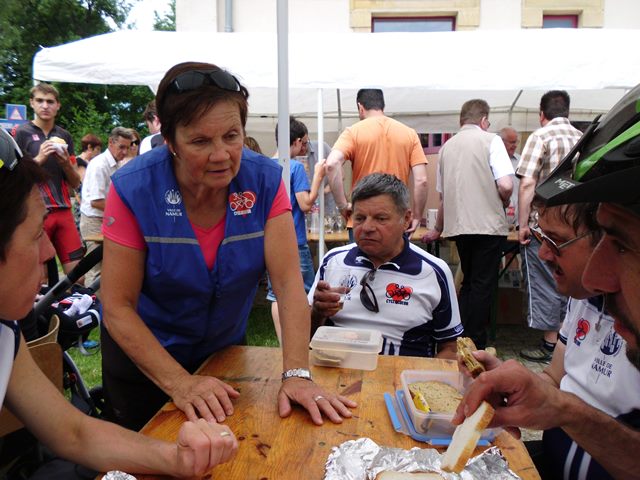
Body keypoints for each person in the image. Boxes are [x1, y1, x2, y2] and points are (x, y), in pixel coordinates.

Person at [100, 62, 356, 431]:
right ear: (170, 141)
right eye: (200, 141)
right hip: (145, 365)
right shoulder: (133, 187)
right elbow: (117, 307)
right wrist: (179, 383)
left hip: (222, 360)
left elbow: (287, 284)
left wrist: (297, 373)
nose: (221, 154)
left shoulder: (264, 180)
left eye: (231, 136)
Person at [0, 127, 238, 479]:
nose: (50, 251)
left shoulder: (6, 333)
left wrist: (177, 458)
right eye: (37, 235)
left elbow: (73, 433)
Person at [454, 83, 640, 480]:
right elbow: (555, 381)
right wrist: (514, 380)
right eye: (540, 237)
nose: (542, 254)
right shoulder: (582, 299)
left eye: (621, 244)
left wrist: (562, 409)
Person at [309, 173, 461, 359]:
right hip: (337, 375)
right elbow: (307, 336)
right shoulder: (333, 261)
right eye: (360, 218)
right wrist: (317, 313)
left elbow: (449, 349)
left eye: (381, 218)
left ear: (406, 220)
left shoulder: (433, 271)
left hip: (403, 382)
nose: (367, 227)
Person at [422, 99, 513, 349]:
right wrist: (502, 199)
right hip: (488, 226)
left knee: (470, 281)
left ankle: (460, 338)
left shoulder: (446, 148)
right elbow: (506, 184)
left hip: (459, 226)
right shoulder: (491, 140)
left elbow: (443, 198)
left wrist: (438, 228)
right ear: (484, 121)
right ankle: (476, 343)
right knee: (483, 284)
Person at [516, 90, 583, 362]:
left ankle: (549, 344)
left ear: (541, 114)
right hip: (576, 228)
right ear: (567, 111)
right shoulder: (582, 138)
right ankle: (567, 345)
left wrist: (521, 224)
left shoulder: (540, 137)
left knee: (544, 282)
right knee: (570, 282)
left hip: (543, 227)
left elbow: (527, 183)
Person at [325, 88, 428, 235]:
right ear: (382, 106)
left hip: (363, 219)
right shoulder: (409, 134)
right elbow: (421, 180)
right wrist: (417, 216)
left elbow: (331, 164)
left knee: (362, 258)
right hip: (396, 218)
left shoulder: (353, 132)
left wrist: (342, 205)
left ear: (360, 107)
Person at [14, 83, 83, 275]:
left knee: (77, 276)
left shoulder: (64, 136)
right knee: (38, 279)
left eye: (50, 101)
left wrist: (65, 164)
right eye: (40, 101)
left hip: (63, 211)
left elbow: (76, 183)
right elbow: (12, 177)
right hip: (34, 212)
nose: (45, 106)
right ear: (31, 103)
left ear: (58, 105)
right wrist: (39, 159)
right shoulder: (20, 133)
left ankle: (70, 306)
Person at [267, 117, 325, 342]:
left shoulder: (265, 166)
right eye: (305, 143)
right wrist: (318, 177)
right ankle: (303, 341)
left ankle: (283, 344)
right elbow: (305, 204)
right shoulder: (296, 167)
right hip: (294, 239)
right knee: (308, 291)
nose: (305, 148)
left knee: (275, 294)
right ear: (297, 140)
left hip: (270, 240)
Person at [80, 127, 134, 287]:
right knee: (95, 268)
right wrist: (125, 210)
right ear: (111, 143)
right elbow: (96, 201)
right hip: (93, 220)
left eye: (128, 147)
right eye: (121, 147)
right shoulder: (100, 165)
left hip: (105, 219)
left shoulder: (116, 165)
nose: (124, 152)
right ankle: (90, 305)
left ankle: (101, 305)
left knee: (107, 267)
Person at [498, 126, 520, 228]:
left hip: (519, 218)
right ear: (501, 142)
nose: (515, 145)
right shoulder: (493, 161)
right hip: (499, 218)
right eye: (511, 142)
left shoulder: (521, 160)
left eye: (516, 142)